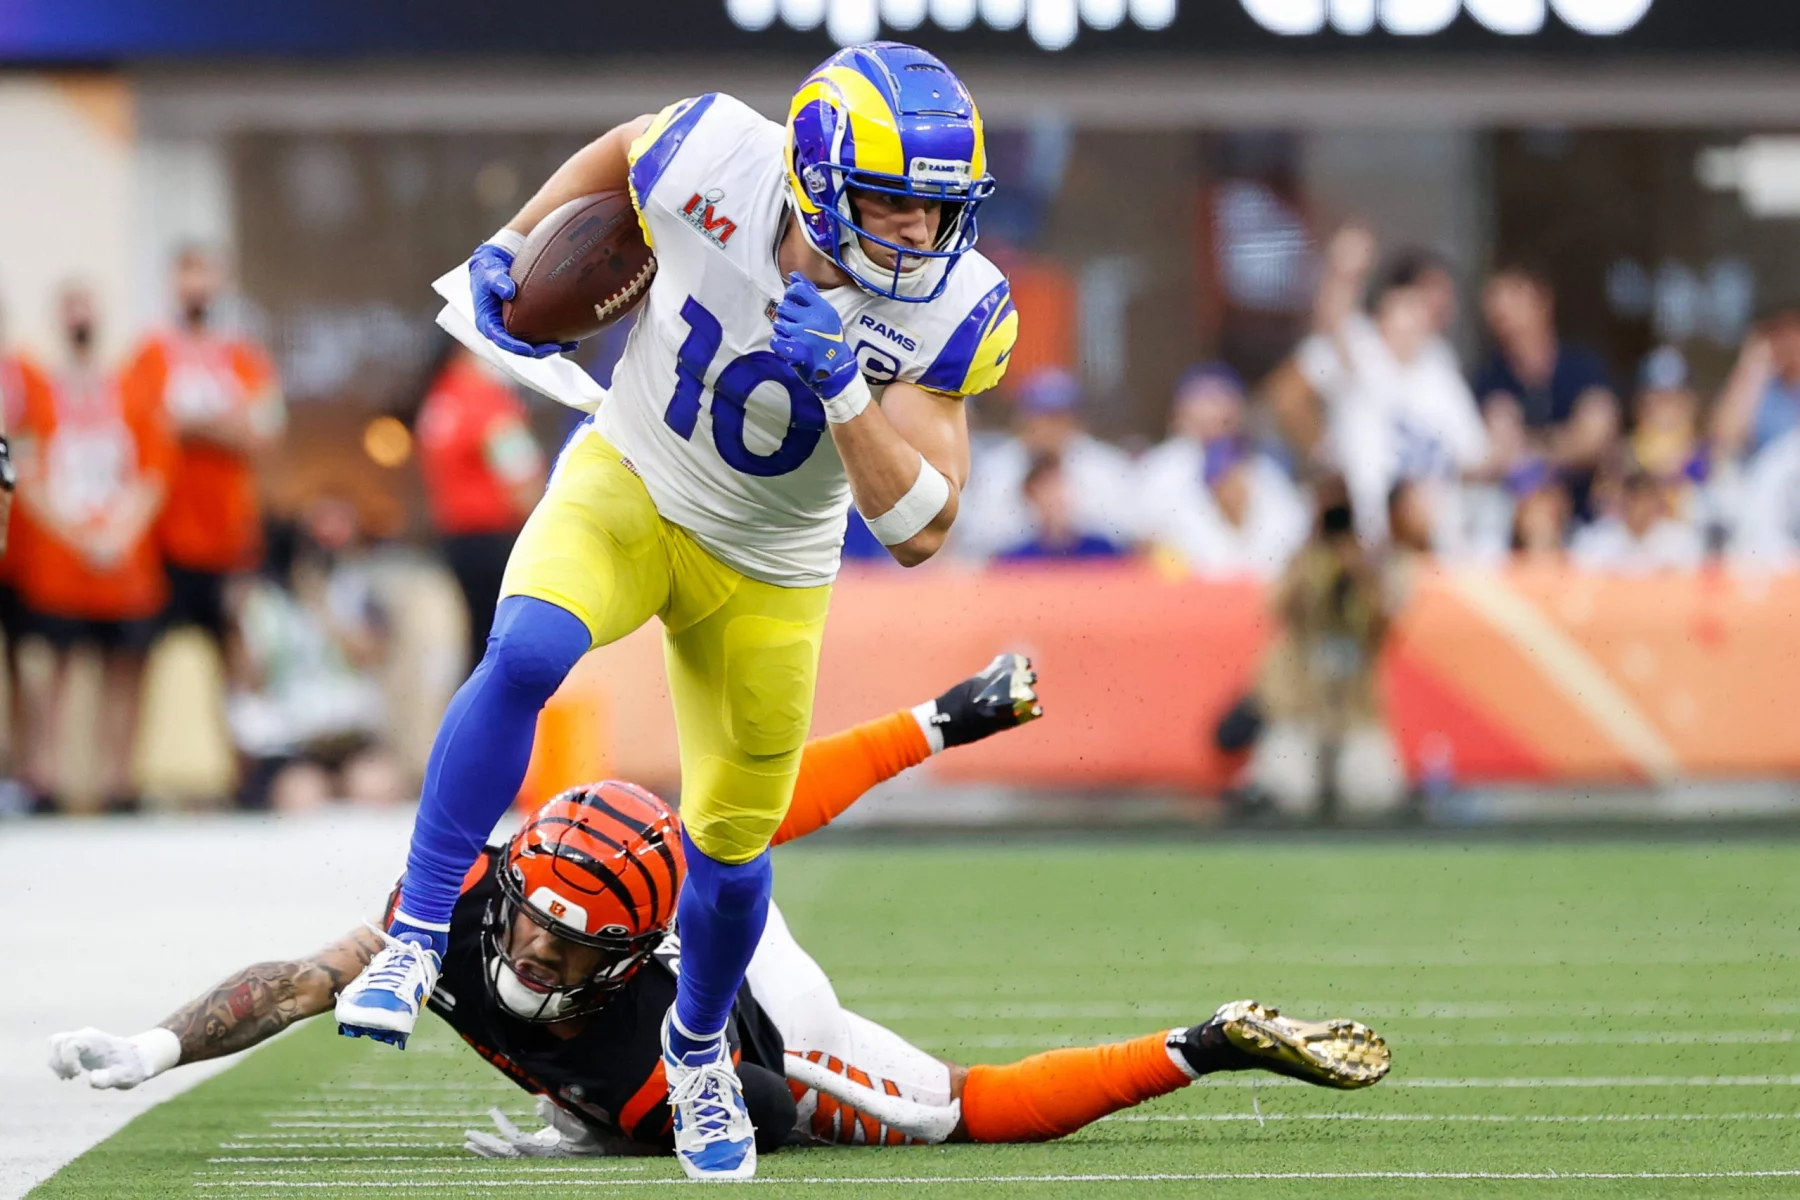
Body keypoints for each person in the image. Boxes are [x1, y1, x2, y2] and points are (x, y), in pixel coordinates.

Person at [334, 42, 1018, 1181]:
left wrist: (845, 387)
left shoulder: (958, 308)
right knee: (527, 647)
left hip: (772, 566)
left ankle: (697, 1054)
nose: (917, 235)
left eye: (937, 211)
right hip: (636, 480)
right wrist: (514, 244)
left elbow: (924, 529)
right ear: (812, 179)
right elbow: (622, 149)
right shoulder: (718, 154)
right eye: (892, 204)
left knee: (731, 847)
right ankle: (413, 933)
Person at [50, 655, 1391, 1159]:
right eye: (523, 913)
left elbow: (749, 1106)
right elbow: (304, 975)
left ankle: (1204, 1041)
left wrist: (588, 1124)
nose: (522, 941)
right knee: (721, 814)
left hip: (756, 1024)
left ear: (625, 950)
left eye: (562, 939)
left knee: (956, 1111)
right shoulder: (470, 903)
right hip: (658, 967)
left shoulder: (651, 1047)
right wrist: (161, 1045)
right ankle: (945, 711)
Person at [10, 284, 174, 814]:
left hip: (124, 562)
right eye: (70, 307)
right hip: (61, 561)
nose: (79, 317)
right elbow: (28, 473)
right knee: (54, 672)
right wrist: (75, 535)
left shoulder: (130, 388)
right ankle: (46, 778)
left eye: (86, 306)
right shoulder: (39, 391)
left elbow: (153, 472)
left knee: (124, 671)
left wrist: (121, 532)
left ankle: (118, 781)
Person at [122, 245, 284, 653]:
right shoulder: (149, 355)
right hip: (165, 540)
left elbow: (264, 434)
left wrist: (192, 426)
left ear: (221, 283)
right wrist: (224, 424)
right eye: (186, 273)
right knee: (154, 659)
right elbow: (146, 431)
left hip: (230, 536)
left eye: (204, 274)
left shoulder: (245, 357)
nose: (196, 286)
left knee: (233, 653)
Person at [1294, 227, 1488, 555]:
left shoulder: (1438, 365)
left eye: (1418, 313)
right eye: (1402, 312)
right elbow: (1335, 322)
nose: (1409, 324)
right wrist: (1343, 272)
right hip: (1370, 520)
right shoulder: (1365, 351)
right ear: (1382, 313)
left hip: (1441, 528)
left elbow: (1474, 453)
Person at [1249, 478, 1407, 822]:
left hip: (1355, 711)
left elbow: (1387, 631)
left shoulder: (1371, 565)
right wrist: (1310, 564)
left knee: (1374, 796)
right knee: (1287, 793)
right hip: (1302, 707)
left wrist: (1363, 575)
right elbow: (1276, 610)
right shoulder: (1302, 560)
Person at [414, 341, 548, 673]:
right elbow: (521, 478)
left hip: (456, 540)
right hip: (496, 540)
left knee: (477, 642)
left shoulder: (439, 400)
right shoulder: (485, 401)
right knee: (505, 645)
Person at [1472, 264, 1619, 519]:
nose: (1503, 308)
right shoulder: (1488, 379)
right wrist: (1567, 440)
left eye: (1515, 295)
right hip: (1516, 525)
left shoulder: (1582, 367)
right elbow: (1497, 454)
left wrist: (1531, 447)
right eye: (1495, 299)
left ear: (1543, 301)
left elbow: (1595, 439)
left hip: (1588, 523)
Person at [1136, 366, 1308, 580]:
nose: (1211, 416)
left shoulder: (1263, 471)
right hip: (1187, 596)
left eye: (1221, 416)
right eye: (1202, 406)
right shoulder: (1161, 469)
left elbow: (1294, 539)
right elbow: (1143, 544)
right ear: (1180, 416)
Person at [954, 367, 1136, 559]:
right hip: (1013, 576)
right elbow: (978, 539)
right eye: (1041, 417)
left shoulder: (1106, 466)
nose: (1049, 427)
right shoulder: (996, 468)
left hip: (1092, 573)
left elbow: (1126, 535)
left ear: (1076, 420)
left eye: (1058, 418)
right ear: (1022, 419)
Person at [1570, 464, 1704, 575]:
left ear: (1657, 503)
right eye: (1634, 499)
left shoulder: (1681, 540)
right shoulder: (1597, 540)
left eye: (1646, 500)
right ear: (1622, 501)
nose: (1639, 508)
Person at [994, 452, 1127, 562]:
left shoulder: (1102, 549)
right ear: (1032, 497)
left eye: (1060, 486)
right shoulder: (1016, 557)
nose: (1057, 497)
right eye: (1047, 490)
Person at [1710, 302, 1800, 461]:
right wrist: (1752, 365)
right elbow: (1723, 438)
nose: (1788, 343)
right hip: (1768, 479)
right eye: (1779, 335)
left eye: (1793, 333)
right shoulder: (1764, 389)